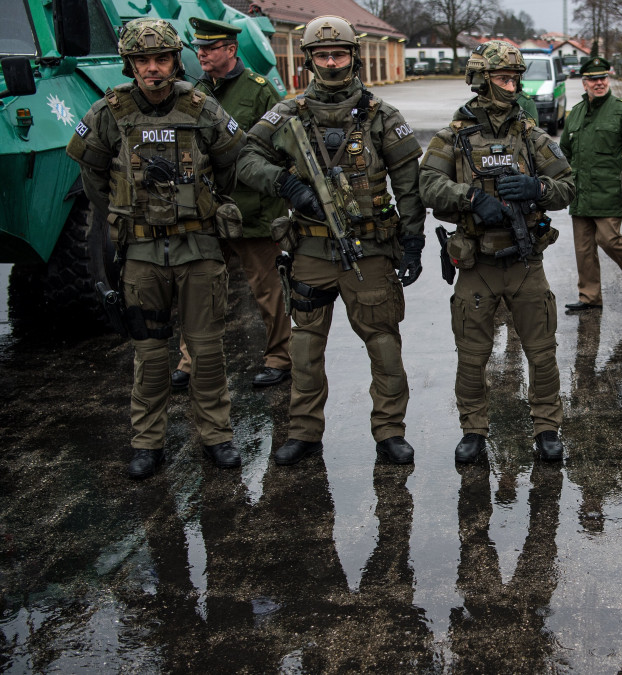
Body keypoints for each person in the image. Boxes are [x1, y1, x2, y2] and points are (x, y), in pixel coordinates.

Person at [237, 16, 425, 466]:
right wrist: (289, 187)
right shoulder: (289, 113)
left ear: (353, 57)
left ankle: (389, 432)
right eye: (323, 55)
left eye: (339, 54)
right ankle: (304, 432)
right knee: (304, 349)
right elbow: (245, 158)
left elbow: (409, 184)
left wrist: (414, 242)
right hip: (310, 250)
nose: (332, 62)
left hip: (371, 249)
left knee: (382, 343)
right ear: (309, 60)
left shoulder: (383, 116)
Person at [66, 18, 245, 478]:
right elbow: (93, 175)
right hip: (142, 254)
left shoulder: (201, 107)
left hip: (199, 248)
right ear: (130, 64)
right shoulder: (109, 111)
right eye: (143, 60)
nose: (152, 68)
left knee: (206, 353)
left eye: (161, 58)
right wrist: (126, 215)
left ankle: (217, 437)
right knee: (149, 356)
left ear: (175, 60)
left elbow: (229, 164)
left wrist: (204, 207)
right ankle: (148, 443)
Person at [419, 41, 575, 463]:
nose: (511, 86)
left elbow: (567, 185)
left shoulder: (531, 135)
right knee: (472, 356)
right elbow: (427, 185)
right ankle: (473, 429)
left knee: (542, 353)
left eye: (515, 79)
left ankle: (546, 427)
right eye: (504, 78)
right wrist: (470, 198)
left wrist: (537, 187)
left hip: (526, 263)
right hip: (477, 264)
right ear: (481, 80)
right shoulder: (453, 136)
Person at [171, 18, 291, 391]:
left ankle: (279, 358)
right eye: (198, 48)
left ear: (231, 50)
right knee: (200, 286)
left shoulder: (258, 90)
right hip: (206, 207)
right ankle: (190, 360)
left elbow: (280, 148)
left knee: (266, 288)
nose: (201, 54)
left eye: (209, 48)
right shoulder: (197, 90)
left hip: (252, 208)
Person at [559, 56, 622, 312]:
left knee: (608, 238)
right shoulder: (576, 114)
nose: (599, 83)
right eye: (594, 79)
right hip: (580, 192)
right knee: (583, 249)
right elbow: (564, 151)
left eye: (603, 78)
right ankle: (589, 297)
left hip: (609, 191)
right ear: (584, 83)